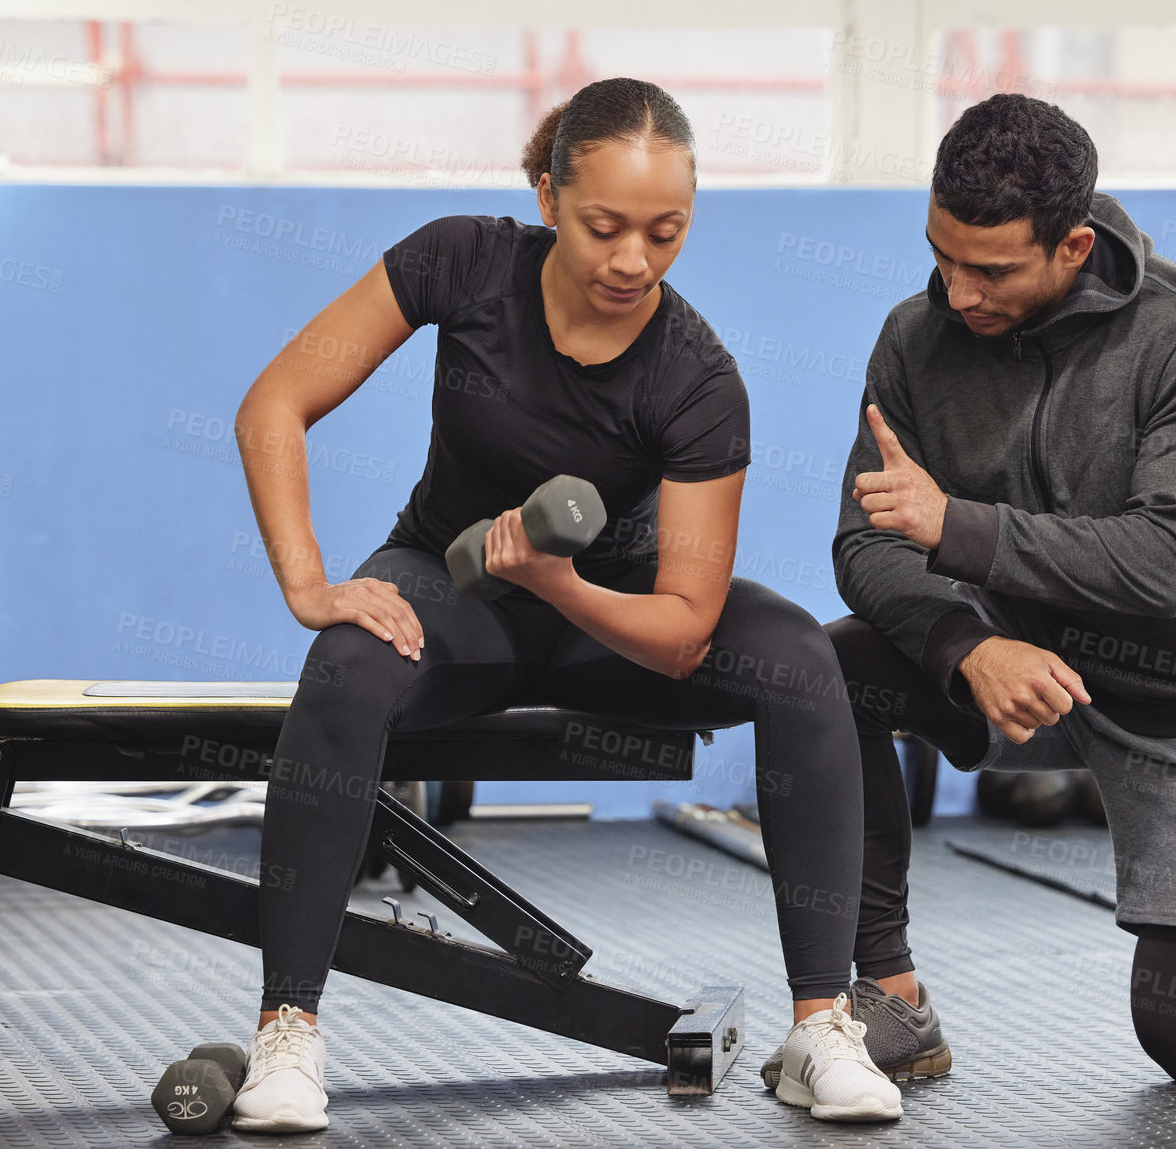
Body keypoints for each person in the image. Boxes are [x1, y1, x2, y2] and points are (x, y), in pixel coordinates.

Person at [228, 78, 900, 1131]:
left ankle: (822, 1025)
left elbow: (683, 631)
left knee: (802, 656)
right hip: (450, 589)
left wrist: (561, 582)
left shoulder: (695, 375)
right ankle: (289, 1031)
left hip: (614, 621)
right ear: (547, 195)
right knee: (348, 667)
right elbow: (276, 401)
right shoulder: (462, 260)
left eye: (666, 232)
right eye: (605, 226)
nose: (634, 258)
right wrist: (308, 582)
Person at [799, 93, 1176, 1089]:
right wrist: (968, 645)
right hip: (1018, 660)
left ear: (1073, 245)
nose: (957, 291)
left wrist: (953, 527)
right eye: (942, 254)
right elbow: (863, 544)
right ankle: (892, 998)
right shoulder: (914, 337)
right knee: (824, 669)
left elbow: (1162, 562)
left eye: (992, 269)